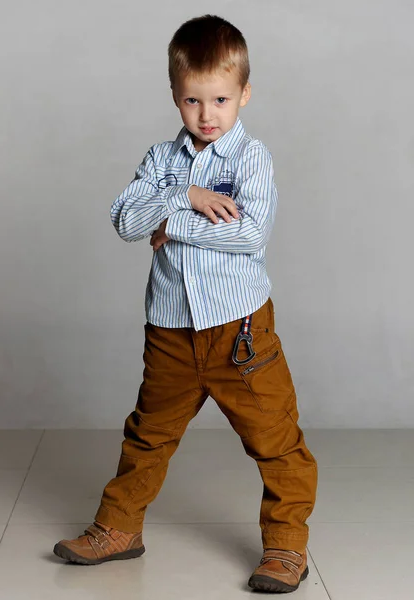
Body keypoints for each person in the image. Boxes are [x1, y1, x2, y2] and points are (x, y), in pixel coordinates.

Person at [53, 14, 318, 594]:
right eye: (193, 100)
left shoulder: (250, 160)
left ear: (243, 93)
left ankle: (285, 548)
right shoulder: (161, 161)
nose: (207, 114)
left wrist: (172, 223)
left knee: (277, 440)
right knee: (148, 434)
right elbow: (125, 219)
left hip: (239, 333)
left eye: (221, 98)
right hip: (171, 333)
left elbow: (251, 235)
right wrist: (186, 196)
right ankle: (119, 529)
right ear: (175, 96)